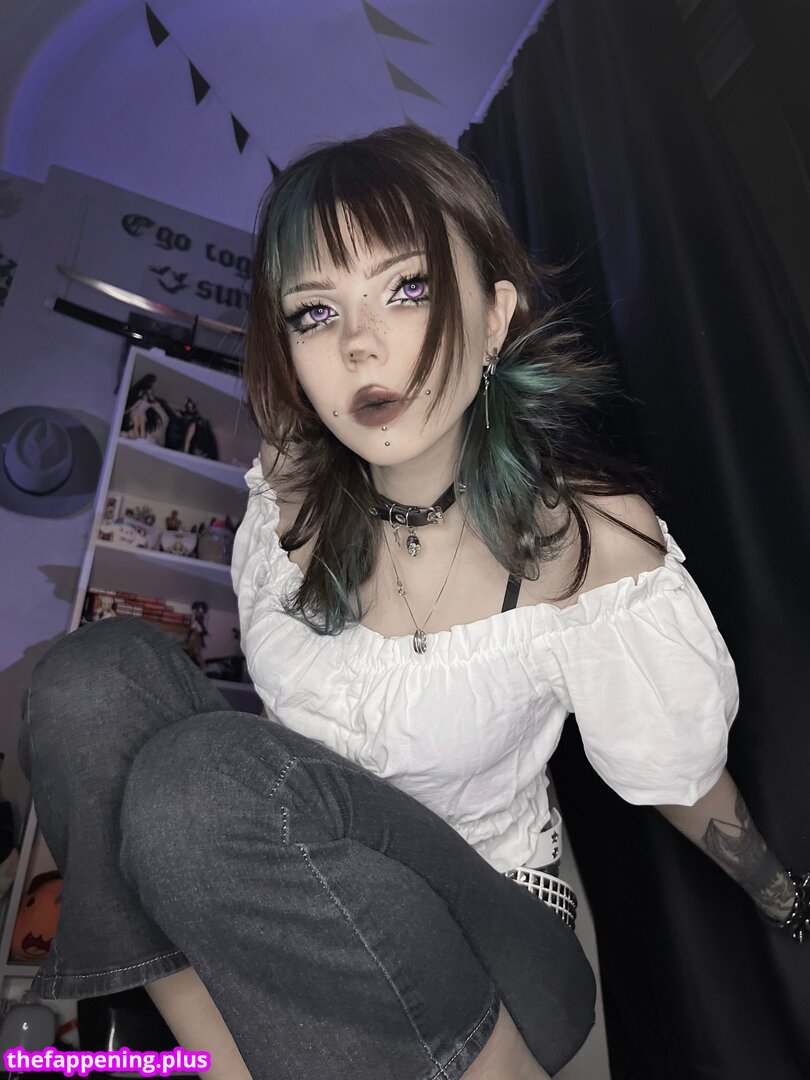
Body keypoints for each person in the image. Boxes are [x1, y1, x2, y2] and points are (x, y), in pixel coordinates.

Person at [19, 125, 807, 1080]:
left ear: (493, 319)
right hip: (297, 933)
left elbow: (685, 784)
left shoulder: (586, 543)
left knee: (202, 779)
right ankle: (225, 1057)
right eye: (315, 312)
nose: (360, 343)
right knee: (91, 678)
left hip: (496, 939)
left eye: (408, 288)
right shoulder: (285, 497)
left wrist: (784, 898)